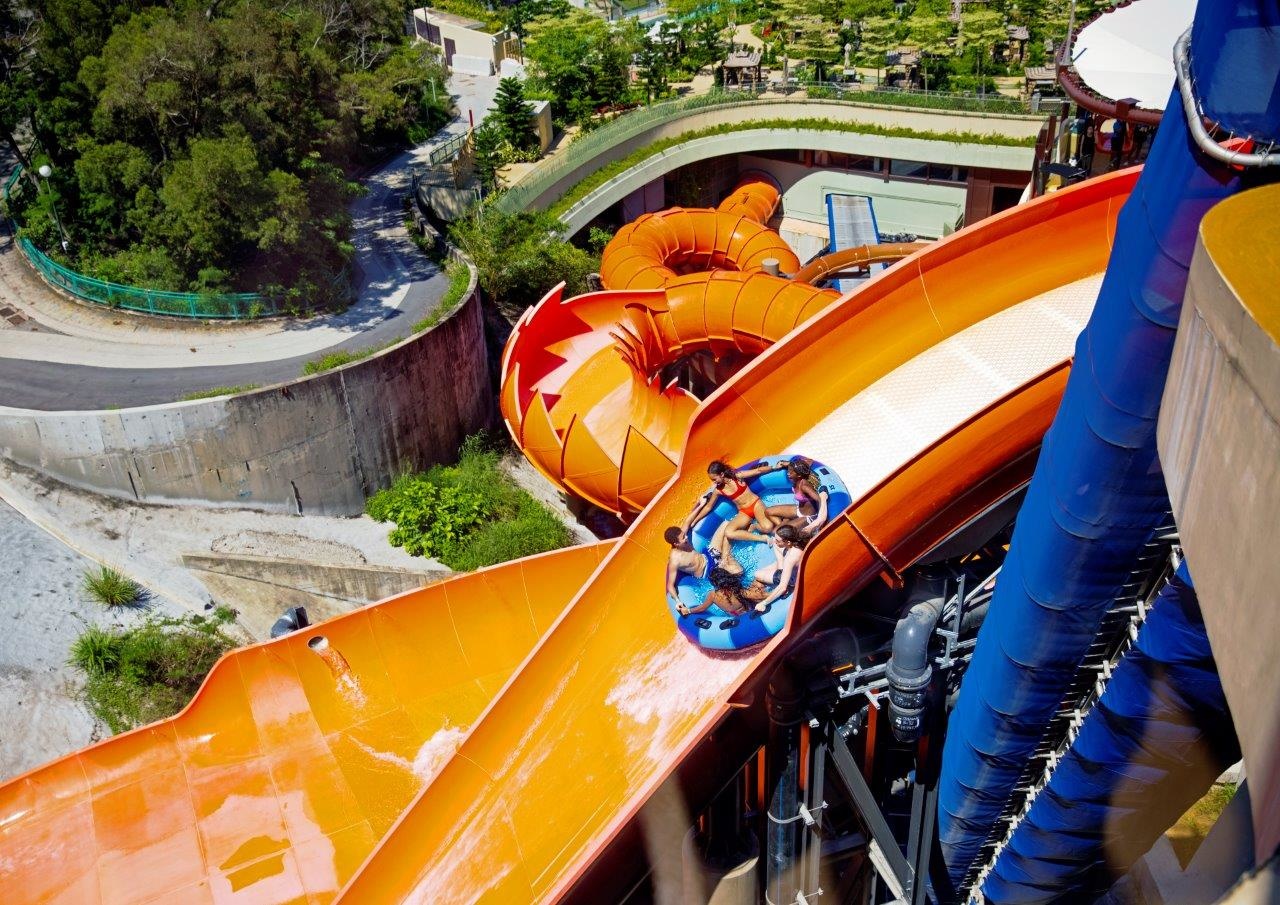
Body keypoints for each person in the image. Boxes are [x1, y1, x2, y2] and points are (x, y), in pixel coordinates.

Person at [677, 459, 786, 543]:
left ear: (722, 474)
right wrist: (695, 521)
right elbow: (708, 507)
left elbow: (757, 471)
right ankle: (762, 538)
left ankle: (754, 526)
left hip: (755, 504)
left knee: (768, 527)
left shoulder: (738, 477)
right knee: (729, 533)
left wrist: (775, 467)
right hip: (744, 512)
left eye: (714, 479)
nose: (713, 483)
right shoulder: (718, 491)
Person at [664, 521, 763, 599]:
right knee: (739, 572)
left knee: (726, 525)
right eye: (683, 538)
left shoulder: (681, 537)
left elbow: (688, 521)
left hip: (708, 554)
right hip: (710, 572)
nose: (686, 537)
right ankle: (727, 558)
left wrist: (701, 503)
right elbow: (670, 585)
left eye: (684, 535)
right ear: (676, 544)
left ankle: (726, 557)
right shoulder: (675, 561)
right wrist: (677, 601)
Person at [764, 457, 829, 537]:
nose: (788, 473)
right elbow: (809, 461)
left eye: (791, 472)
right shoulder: (796, 479)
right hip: (799, 509)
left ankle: (785, 524)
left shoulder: (804, 486)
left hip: (808, 517)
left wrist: (820, 519)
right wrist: (786, 463)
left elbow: (819, 499)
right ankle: (784, 524)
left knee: (776, 533)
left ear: (798, 475)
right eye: (788, 470)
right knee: (768, 511)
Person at [677, 566, 770, 619]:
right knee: (757, 581)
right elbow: (757, 596)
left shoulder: (712, 595)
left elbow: (702, 608)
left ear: (714, 583)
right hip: (750, 612)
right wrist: (773, 594)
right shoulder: (736, 590)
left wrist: (688, 610)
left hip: (737, 617)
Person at [752, 524, 807, 612]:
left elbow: (782, 587)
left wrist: (763, 603)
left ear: (788, 542)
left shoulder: (790, 559)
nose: (776, 541)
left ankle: (780, 570)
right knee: (774, 542)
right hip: (791, 566)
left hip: (792, 579)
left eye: (778, 540)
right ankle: (780, 566)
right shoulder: (798, 540)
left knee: (757, 574)